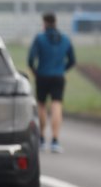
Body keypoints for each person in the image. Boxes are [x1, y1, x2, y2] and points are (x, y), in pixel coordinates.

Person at [28, 12, 76, 153]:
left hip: (42, 75)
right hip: (58, 76)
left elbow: (31, 59)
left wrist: (35, 72)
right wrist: (62, 69)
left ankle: (41, 138)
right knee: (57, 105)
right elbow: (72, 60)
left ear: (44, 23)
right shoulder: (65, 39)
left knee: (41, 106)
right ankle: (55, 140)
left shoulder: (40, 38)